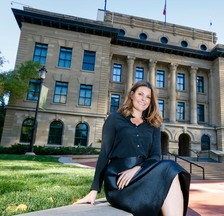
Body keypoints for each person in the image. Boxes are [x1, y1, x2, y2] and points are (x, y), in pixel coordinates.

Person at [74, 80, 190, 216]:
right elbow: (104, 154)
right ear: (131, 95)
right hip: (119, 181)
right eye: (140, 94)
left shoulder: (154, 124)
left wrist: (136, 169)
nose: (144, 99)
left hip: (142, 175)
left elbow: (155, 156)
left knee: (170, 170)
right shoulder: (115, 119)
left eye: (148, 97)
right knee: (169, 171)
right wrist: (94, 190)